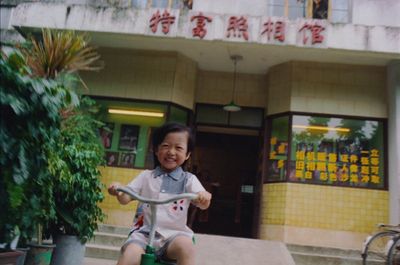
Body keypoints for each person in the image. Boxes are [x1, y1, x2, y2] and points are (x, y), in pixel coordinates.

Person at [108, 123, 212, 265]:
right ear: (156, 150)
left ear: (187, 154)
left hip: (174, 236)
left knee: (187, 247)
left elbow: (203, 202)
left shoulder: (189, 180)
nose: (171, 152)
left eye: (179, 148)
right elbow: (125, 198)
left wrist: (204, 197)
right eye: (165, 146)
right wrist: (119, 189)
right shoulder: (146, 176)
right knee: (129, 255)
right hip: (145, 235)